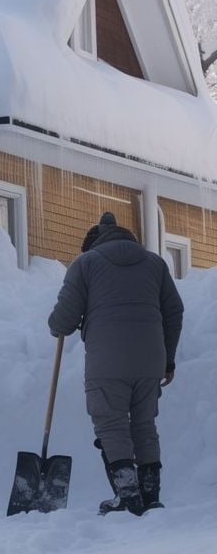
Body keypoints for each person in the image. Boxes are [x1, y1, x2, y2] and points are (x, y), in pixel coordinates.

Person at [48, 211, 183, 516]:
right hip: (150, 359)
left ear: (92, 243)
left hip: (107, 360)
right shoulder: (155, 264)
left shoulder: (86, 263)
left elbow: (65, 318)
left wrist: (56, 325)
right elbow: (174, 312)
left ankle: (127, 496)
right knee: (144, 426)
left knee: (111, 425)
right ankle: (151, 497)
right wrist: (168, 358)